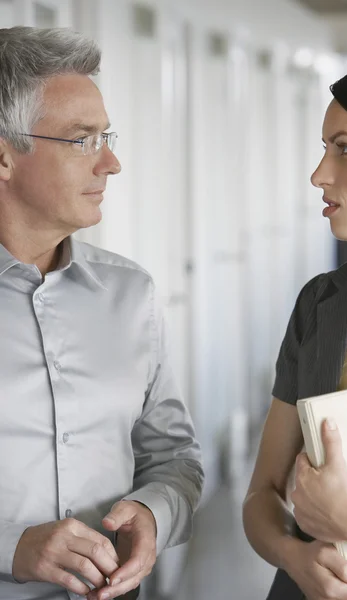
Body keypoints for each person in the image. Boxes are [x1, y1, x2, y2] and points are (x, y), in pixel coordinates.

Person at [0, 26, 203, 600]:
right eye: (82, 139)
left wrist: (152, 512)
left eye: (105, 136)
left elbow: (174, 458)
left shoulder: (130, 293)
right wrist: (12, 545)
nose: (110, 162)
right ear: (4, 155)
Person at [243, 56, 347, 600]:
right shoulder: (320, 301)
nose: (319, 175)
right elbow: (262, 494)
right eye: (324, 147)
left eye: (346, 148)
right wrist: (297, 558)